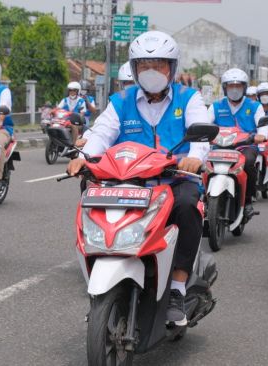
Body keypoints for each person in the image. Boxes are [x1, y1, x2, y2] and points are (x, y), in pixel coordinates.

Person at [67, 31, 210, 326]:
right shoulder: (121, 101)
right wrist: (84, 158)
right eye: (145, 65)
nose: (152, 72)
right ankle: (101, 289)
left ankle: (177, 288)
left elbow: (201, 134)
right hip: (130, 182)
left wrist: (196, 157)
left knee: (188, 205)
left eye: (159, 65)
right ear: (134, 69)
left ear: (172, 67)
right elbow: (102, 134)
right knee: (92, 198)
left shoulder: (189, 98)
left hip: (175, 179)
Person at [208, 68, 266, 217]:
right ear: (225, 88)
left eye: (238, 86)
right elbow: (205, 124)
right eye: (230, 86)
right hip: (219, 146)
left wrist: (261, 135)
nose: (234, 89)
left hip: (245, 146)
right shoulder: (216, 106)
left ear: (244, 88)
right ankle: (203, 197)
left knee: (248, 163)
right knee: (203, 165)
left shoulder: (255, 106)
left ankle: (247, 200)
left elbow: (263, 125)